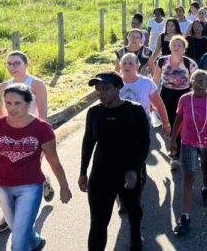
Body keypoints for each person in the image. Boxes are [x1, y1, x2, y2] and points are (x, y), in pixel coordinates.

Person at [0, 83, 72, 251]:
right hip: (2, 186)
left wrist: (64, 186)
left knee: (18, 241)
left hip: (30, 187)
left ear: (28, 103)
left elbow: (53, 161)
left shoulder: (42, 129)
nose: (11, 108)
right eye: (8, 103)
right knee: (19, 230)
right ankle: (36, 242)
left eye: (17, 103)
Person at [79, 72, 150, 251]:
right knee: (98, 222)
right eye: (98, 89)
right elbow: (88, 141)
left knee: (133, 210)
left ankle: (136, 238)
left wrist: (135, 169)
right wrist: (83, 172)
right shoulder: (94, 112)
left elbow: (144, 143)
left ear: (118, 88)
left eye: (106, 88)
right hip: (101, 174)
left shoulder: (134, 110)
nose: (101, 93)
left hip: (129, 173)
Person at [0, 51, 52, 236]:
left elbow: (43, 115)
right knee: (8, 175)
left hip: (32, 137)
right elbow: (1, 113)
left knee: (26, 173)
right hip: (9, 138)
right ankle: (8, 216)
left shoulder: (36, 84)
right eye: (9, 64)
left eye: (16, 63)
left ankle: (15, 218)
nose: (12, 67)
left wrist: (42, 140)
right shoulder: (4, 86)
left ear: (26, 64)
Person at [171, 70, 207, 235]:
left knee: (206, 169)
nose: (198, 84)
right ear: (190, 82)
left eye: (202, 81)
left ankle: (205, 187)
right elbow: (178, 120)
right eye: (195, 81)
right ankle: (185, 216)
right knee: (188, 176)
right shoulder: (184, 99)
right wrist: (173, 140)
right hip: (188, 142)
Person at [152, 36, 198, 170]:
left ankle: (180, 151)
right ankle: (175, 151)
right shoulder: (162, 61)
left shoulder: (190, 63)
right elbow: (155, 80)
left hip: (184, 94)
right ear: (170, 47)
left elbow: (196, 82)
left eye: (179, 45)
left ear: (184, 48)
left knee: (183, 122)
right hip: (166, 94)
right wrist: (151, 97)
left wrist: (195, 98)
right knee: (171, 123)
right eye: (174, 44)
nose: (176, 47)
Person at [119, 53, 171, 138]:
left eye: (131, 63)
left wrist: (166, 124)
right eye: (124, 63)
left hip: (141, 123)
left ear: (137, 66)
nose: (127, 66)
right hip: (119, 123)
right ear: (120, 66)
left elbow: (159, 105)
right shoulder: (114, 83)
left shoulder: (146, 83)